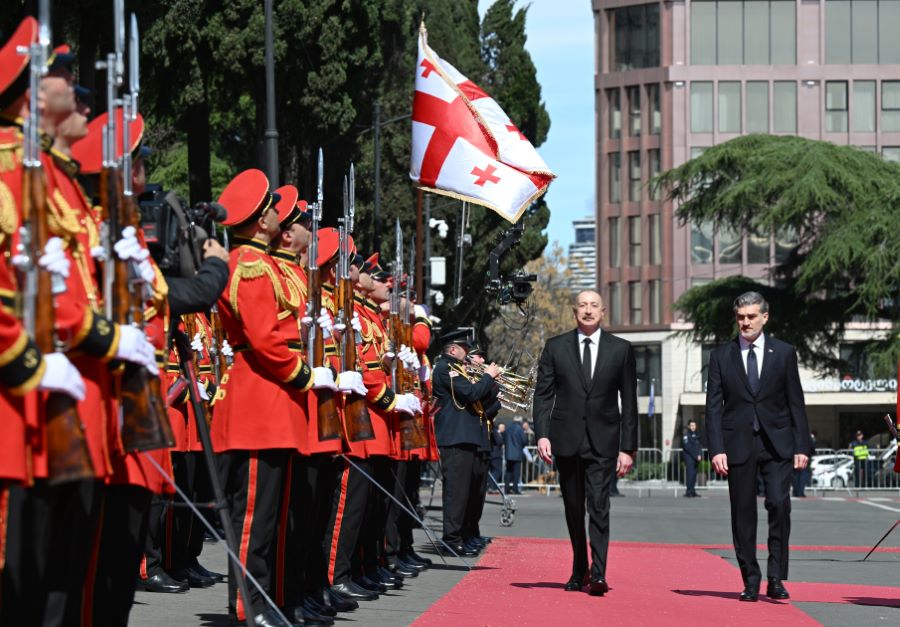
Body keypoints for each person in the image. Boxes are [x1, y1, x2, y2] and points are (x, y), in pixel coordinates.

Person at [706, 291, 811, 603]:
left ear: (765, 317)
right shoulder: (721, 356)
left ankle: (775, 577)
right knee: (742, 513)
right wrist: (716, 449)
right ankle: (750, 579)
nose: (746, 322)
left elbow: (796, 401)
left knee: (779, 503)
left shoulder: (784, 353)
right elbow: (713, 407)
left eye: (751, 316)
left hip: (777, 443)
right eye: (741, 317)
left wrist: (802, 446)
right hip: (737, 444)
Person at [533, 290, 637, 596]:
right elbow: (543, 395)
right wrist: (542, 434)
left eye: (594, 306)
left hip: (604, 442)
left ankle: (599, 572)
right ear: (574, 311)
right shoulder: (555, 347)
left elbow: (629, 401)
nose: (588, 310)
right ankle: (579, 568)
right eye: (582, 305)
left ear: (603, 311)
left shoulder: (621, 349)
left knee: (600, 506)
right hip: (566, 440)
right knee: (573, 508)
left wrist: (628, 448)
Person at [431, 328, 500, 557]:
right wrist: (487, 376)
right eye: (464, 348)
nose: (467, 352)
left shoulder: (457, 368)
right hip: (455, 438)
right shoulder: (446, 368)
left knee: (466, 493)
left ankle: (462, 536)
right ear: (452, 349)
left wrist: (490, 382)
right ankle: (452, 539)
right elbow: (470, 394)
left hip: (466, 437)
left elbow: (479, 398)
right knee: (456, 493)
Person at [503, 417, 527, 495]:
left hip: (508, 453)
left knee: (508, 472)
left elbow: (504, 439)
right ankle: (515, 489)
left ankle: (506, 489)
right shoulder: (520, 429)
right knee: (516, 473)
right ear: (520, 421)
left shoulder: (508, 428)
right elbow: (524, 440)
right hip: (517, 453)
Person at [682, 420, 703, 497]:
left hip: (696, 458)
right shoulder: (686, 436)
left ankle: (693, 491)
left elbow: (699, 446)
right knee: (690, 475)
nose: (693, 427)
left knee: (694, 475)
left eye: (694, 425)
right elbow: (688, 447)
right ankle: (689, 491)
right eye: (691, 425)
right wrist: (696, 455)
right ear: (689, 426)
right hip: (690, 458)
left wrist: (700, 454)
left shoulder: (697, 435)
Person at [793, 431, 816, 497]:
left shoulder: (795, 435)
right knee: (803, 475)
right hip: (805, 456)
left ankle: (795, 491)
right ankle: (800, 492)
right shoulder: (808, 436)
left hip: (796, 456)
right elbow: (812, 447)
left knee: (796, 475)